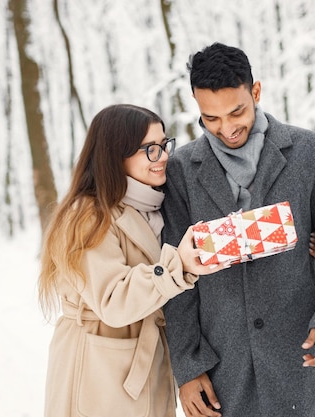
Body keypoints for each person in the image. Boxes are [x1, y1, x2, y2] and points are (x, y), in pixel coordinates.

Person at [160, 43, 315, 417]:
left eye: (236, 111)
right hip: (226, 373)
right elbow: (176, 277)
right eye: (211, 118)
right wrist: (189, 366)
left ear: (255, 91)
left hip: (304, 355)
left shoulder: (313, 152)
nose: (227, 128)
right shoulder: (180, 172)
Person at [38, 104, 230, 417]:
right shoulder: (88, 215)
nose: (163, 156)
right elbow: (113, 299)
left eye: (164, 145)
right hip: (98, 370)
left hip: (145, 367)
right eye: (150, 150)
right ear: (116, 154)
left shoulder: (153, 206)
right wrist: (176, 266)